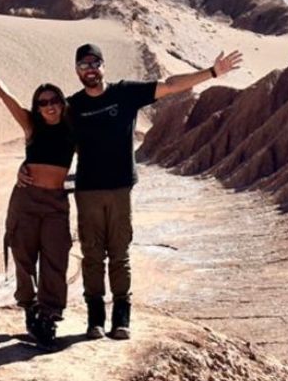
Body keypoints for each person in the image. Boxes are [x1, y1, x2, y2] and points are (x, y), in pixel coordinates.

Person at [66, 42, 242, 341]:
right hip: (87, 191)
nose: (90, 70)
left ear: (103, 66)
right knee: (92, 256)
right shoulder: (72, 106)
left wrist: (212, 72)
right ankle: (95, 320)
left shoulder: (124, 93)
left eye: (95, 63)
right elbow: (47, 137)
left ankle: (121, 318)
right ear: (77, 71)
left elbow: (171, 86)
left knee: (120, 254)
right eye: (84, 65)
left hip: (120, 188)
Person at [0, 45, 74, 347]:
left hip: (55, 204)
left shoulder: (72, 130)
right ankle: (30, 307)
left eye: (53, 101)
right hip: (26, 200)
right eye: (42, 102)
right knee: (23, 256)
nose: (49, 106)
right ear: (36, 108)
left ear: (62, 103)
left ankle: (49, 317)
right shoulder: (31, 127)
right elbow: (5, 96)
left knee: (55, 258)